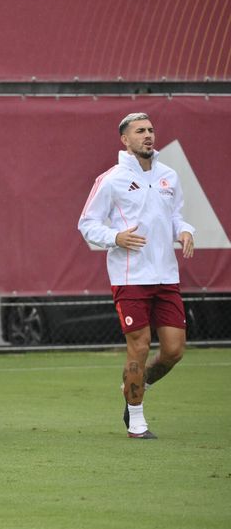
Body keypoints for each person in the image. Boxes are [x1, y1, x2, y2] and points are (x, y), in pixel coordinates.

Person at [78, 113, 194, 439]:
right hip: (130, 277)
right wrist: (116, 237)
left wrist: (184, 232)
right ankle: (137, 420)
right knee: (139, 347)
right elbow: (87, 223)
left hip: (166, 276)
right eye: (139, 131)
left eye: (151, 130)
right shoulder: (111, 179)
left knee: (173, 350)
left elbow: (176, 217)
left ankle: (135, 386)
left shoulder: (169, 175)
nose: (148, 135)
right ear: (124, 140)